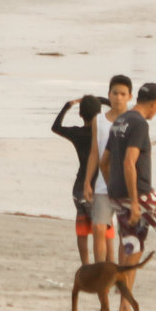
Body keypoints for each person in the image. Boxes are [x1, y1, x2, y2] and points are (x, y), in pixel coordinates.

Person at [103, 81, 156, 307]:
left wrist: (115, 190)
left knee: (133, 247)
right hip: (139, 195)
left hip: (116, 194)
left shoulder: (120, 120)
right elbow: (129, 162)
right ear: (154, 104)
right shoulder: (139, 124)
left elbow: (105, 163)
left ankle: (124, 309)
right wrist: (133, 202)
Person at [52, 94, 106, 264]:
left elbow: (56, 127)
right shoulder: (103, 134)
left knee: (82, 230)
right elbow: (120, 110)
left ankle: (85, 265)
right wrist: (100, 100)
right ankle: (101, 265)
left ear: (80, 115)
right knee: (103, 231)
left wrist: (68, 105)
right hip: (96, 188)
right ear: (99, 113)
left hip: (78, 189)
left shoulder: (76, 133)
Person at [86, 74, 134, 265]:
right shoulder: (99, 120)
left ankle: (120, 276)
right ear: (109, 94)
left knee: (125, 233)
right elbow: (93, 153)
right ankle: (100, 271)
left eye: (123, 94)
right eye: (115, 93)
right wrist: (87, 181)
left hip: (125, 186)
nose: (118, 98)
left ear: (130, 96)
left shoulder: (134, 120)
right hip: (102, 185)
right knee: (98, 228)